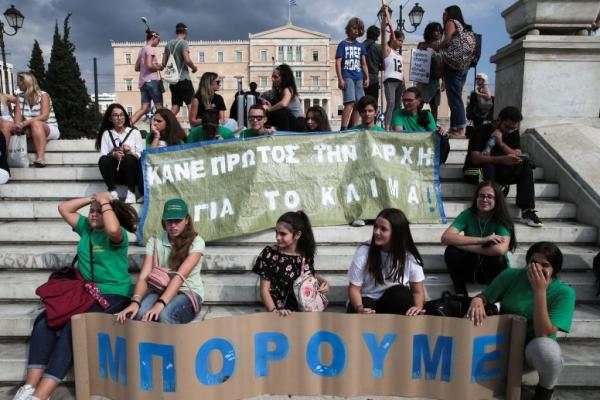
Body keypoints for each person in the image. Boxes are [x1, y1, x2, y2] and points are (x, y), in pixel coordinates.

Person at [12, 192, 137, 400]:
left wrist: (105, 201)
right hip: (87, 293)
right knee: (45, 320)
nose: (93, 214)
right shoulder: (86, 227)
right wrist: (93, 198)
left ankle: (41, 395)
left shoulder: (118, 235)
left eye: (99, 212)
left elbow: (113, 229)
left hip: (114, 294)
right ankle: (29, 387)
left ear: (110, 214)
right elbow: (64, 208)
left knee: (73, 326)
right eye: (91, 211)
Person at [467, 242, 575, 400]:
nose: (537, 268)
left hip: (531, 351)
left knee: (548, 350)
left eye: (545, 265)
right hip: (503, 344)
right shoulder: (510, 275)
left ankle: (545, 390)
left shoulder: (564, 293)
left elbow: (543, 333)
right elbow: (484, 296)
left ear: (554, 269)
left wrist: (540, 291)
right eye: (533, 262)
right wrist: (477, 300)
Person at [116, 198, 204, 324]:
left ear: (186, 220)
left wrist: (160, 303)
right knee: (140, 313)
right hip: (160, 289)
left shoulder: (197, 242)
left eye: (177, 220)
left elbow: (179, 277)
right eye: (169, 220)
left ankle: (172, 337)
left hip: (188, 292)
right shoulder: (155, 241)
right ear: (164, 221)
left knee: (165, 315)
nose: (173, 225)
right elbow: (144, 277)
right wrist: (135, 301)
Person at [463, 106, 543, 227]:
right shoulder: (480, 130)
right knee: (487, 167)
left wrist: (500, 143)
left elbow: (517, 154)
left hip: (498, 170)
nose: (510, 131)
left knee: (525, 164)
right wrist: (502, 159)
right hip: (474, 170)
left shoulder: (513, 133)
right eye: (507, 127)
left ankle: (527, 210)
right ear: (499, 120)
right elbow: (475, 158)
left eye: (513, 128)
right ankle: (489, 210)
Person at [441, 181, 516, 296]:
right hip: (472, 268)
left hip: (493, 271)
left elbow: (500, 249)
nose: (484, 199)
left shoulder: (501, 219)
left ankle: (492, 297)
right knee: (451, 251)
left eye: (490, 197)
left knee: (497, 258)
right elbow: (446, 237)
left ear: (497, 200)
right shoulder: (468, 214)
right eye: (481, 196)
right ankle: (461, 295)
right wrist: (482, 240)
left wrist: (463, 245)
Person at [347, 208, 426, 315]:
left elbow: (418, 291)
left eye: (383, 229)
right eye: (375, 227)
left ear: (397, 233)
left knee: (402, 295)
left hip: (392, 301)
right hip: (366, 300)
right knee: (366, 305)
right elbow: (354, 289)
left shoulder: (410, 256)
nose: (376, 232)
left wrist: (417, 308)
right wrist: (359, 308)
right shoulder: (364, 251)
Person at [252, 211, 329, 316]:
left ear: (297, 235)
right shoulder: (269, 254)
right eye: (276, 232)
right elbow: (264, 289)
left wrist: (323, 282)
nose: (278, 237)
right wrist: (274, 311)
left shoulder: (305, 255)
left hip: (303, 315)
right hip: (280, 315)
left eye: (283, 234)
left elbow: (307, 276)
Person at [95, 103, 144, 204]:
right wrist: (114, 154)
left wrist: (130, 152)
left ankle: (131, 192)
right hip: (115, 173)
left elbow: (141, 154)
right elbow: (103, 155)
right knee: (103, 160)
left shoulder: (134, 132)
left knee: (129, 158)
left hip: (132, 172)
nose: (119, 118)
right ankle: (112, 191)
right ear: (110, 118)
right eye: (115, 115)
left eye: (122, 115)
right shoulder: (107, 134)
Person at [13, 72, 60, 167]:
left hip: (49, 128)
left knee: (36, 123)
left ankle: (41, 158)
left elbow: (44, 116)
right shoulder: (20, 97)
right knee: (6, 124)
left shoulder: (43, 95)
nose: (17, 84)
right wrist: (18, 125)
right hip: (29, 128)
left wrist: (25, 123)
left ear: (26, 82)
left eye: (19, 82)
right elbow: (17, 119)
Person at [392, 87, 450, 163]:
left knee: (443, 138)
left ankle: (436, 165)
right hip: (407, 148)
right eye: (404, 100)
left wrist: (440, 131)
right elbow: (399, 133)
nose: (406, 103)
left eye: (410, 100)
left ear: (418, 101)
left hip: (424, 149)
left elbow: (433, 134)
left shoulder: (427, 114)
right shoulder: (398, 113)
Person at [441, 5, 473, 137]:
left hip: (453, 65)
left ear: (450, 14)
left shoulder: (451, 22)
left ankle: (459, 129)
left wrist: (437, 46)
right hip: (463, 65)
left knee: (454, 99)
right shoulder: (463, 27)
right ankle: (455, 128)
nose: (443, 16)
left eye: (445, 13)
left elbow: (447, 41)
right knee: (456, 97)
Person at [336, 17, 369, 130]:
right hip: (347, 76)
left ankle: (354, 128)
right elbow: (338, 62)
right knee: (349, 103)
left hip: (359, 77)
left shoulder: (361, 46)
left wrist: (367, 77)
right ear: (349, 29)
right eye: (354, 28)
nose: (356, 31)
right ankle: (343, 128)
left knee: (359, 104)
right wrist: (340, 79)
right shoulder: (343, 44)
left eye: (359, 29)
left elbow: (364, 64)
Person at [162, 22, 198, 116]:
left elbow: (163, 63)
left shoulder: (168, 44)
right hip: (183, 79)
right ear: (185, 32)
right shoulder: (184, 43)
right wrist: (194, 68)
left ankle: (166, 123)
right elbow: (187, 59)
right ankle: (194, 125)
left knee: (175, 108)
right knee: (192, 106)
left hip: (173, 81)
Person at [130, 29, 163, 125]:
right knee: (159, 107)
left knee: (144, 108)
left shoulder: (142, 50)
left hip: (143, 83)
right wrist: (159, 67)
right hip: (153, 82)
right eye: (159, 40)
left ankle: (127, 125)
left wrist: (148, 66)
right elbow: (149, 66)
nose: (159, 42)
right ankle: (162, 129)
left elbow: (137, 68)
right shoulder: (150, 49)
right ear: (153, 38)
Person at [260, 64, 303, 131]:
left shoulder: (287, 89)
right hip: (291, 122)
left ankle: (279, 132)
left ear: (284, 78)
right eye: (272, 77)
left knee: (280, 112)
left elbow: (283, 104)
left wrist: (268, 109)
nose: (272, 79)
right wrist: (269, 105)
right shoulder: (280, 91)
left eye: (276, 77)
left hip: (298, 122)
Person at [381, 14, 405, 130]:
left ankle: (396, 126)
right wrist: (384, 19)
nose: (401, 43)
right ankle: (387, 127)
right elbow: (383, 34)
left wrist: (403, 81)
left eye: (402, 41)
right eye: (399, 40)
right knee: (390, 103)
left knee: (398, 105)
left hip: (400, 81)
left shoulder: (399, 54)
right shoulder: (387, 50)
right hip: (390, 80)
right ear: (393, 38)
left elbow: (401, 69)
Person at [416, 22, 444, 121]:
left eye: (440, 31)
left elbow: (443, 64)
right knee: (419, 103)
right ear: (430, 32)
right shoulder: (422, 45)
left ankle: (433, 125)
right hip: (423, 79)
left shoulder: (442, 47)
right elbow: (418, 61)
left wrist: (443, 80)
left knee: (434, 105)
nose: (438, 33)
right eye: (436, 30)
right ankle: (415, 123)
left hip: (435, 79)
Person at [363, 25, 382, 102]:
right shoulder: (378, 47)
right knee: (372, 102)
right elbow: (384, 64)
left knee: (362, 103)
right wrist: (378, 66)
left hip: (361, 78)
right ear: (377, 36)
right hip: (373, 79)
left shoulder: (360, 46)